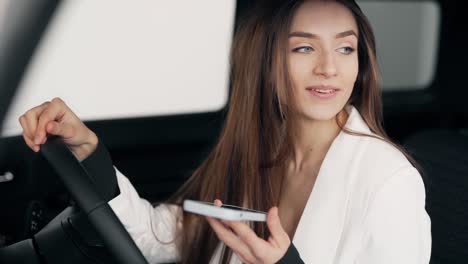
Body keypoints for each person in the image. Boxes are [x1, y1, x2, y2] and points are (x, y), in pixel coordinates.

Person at [18, 0, 432, 263]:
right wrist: (89, 152)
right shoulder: (262, 151)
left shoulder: (388, 181)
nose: (329, 67)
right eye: (304, 47)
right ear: (264, 62)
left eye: (345, 48)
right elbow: (163, 238)